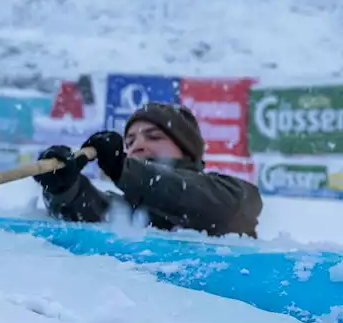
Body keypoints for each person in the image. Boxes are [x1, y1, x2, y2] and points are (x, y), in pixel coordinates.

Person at [32, 102, 262, 238]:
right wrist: (63, 187)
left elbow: (198, 198)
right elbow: (91, 209)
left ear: (187, 150)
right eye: (129, 142)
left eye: (153, 137)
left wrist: (124, 169)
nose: (137, 145)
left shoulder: (232, 195)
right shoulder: (133, 210)